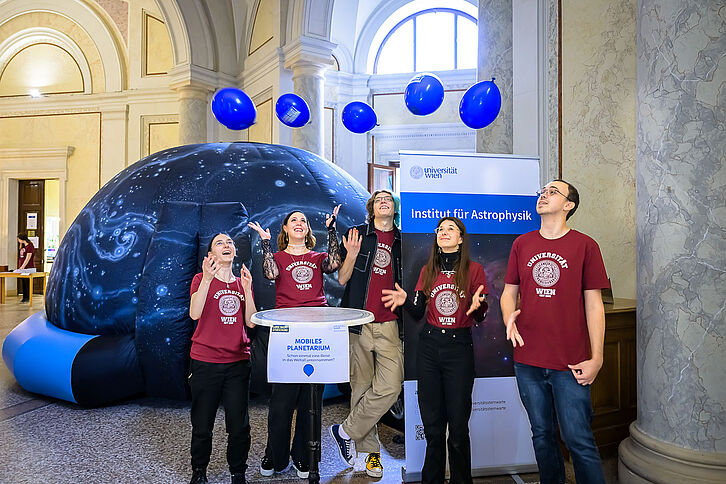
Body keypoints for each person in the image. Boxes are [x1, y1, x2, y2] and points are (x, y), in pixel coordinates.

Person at [500, 180, 609, 484]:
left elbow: (594, 305)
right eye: (543, 191)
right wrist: (509, 317)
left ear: (568, 205)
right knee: (543, 436)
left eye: (553, 192)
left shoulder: (585, 245)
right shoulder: (522, 244)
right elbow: (509, 293)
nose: (544, 195)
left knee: (578, 440)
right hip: (528, 360)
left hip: (571, 363)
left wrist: (597, 358)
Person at [382, 217, 488, 484]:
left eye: (451, 228)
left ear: (461, 238)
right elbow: (418, 312)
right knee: (433, 426)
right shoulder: (428, 270)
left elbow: (479, 315)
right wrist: (406, 300)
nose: (444, 232)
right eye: (440, 229)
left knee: (459, 427)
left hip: (459, 349)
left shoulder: (474, 270)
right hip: (429, 349)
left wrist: (480, 306)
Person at [247, 206, 341, 479]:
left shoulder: (318, 256)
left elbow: (334, 263)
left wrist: (332, 230)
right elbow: (270, 274)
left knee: (311, 398)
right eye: (293, 220)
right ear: (286, 230)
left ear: (308, 230)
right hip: (287, 331)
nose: (299, 223)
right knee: (282, 399)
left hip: (317, 329)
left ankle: (304, 457)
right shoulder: (276, 256)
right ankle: (274, 453)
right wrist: (265, 243)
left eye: (303, 220)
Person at [329, 189, 403, 478]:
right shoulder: (358, 234)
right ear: (372, 208)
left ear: (394, 208)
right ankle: (370, 456)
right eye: (378, 200)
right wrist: (352, 255)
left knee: (390, 387)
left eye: (388, 198)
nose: (383, 201)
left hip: (390, 325)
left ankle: (345, 430)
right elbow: (343, 278)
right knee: (360, 389)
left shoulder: (402, 241)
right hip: (359, 322)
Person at [188, 233, 257, 484]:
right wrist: (207, 278)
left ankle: (238, 472)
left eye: (229, 242)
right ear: (210, 256)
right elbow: (194, 314)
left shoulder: (242, 283)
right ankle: (199, 471)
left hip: (238, 363)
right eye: (219, 243)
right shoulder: (200, 279)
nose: (226, 245)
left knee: (239, 426)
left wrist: (248, 291)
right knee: (203, 424)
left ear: (235, 252)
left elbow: (250, 321)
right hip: (205, 362)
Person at [16, 233, 35, 303]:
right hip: (22, 268)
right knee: (23, 282)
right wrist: (20, 267)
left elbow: (28, 257)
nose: (18, 240)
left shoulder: (30, 246)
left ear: (21, 239)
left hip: (28, 267)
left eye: (18, 239)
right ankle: (24, 297)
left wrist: (23, 266)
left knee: (27, 283)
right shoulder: (22, 246)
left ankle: (28, 297)